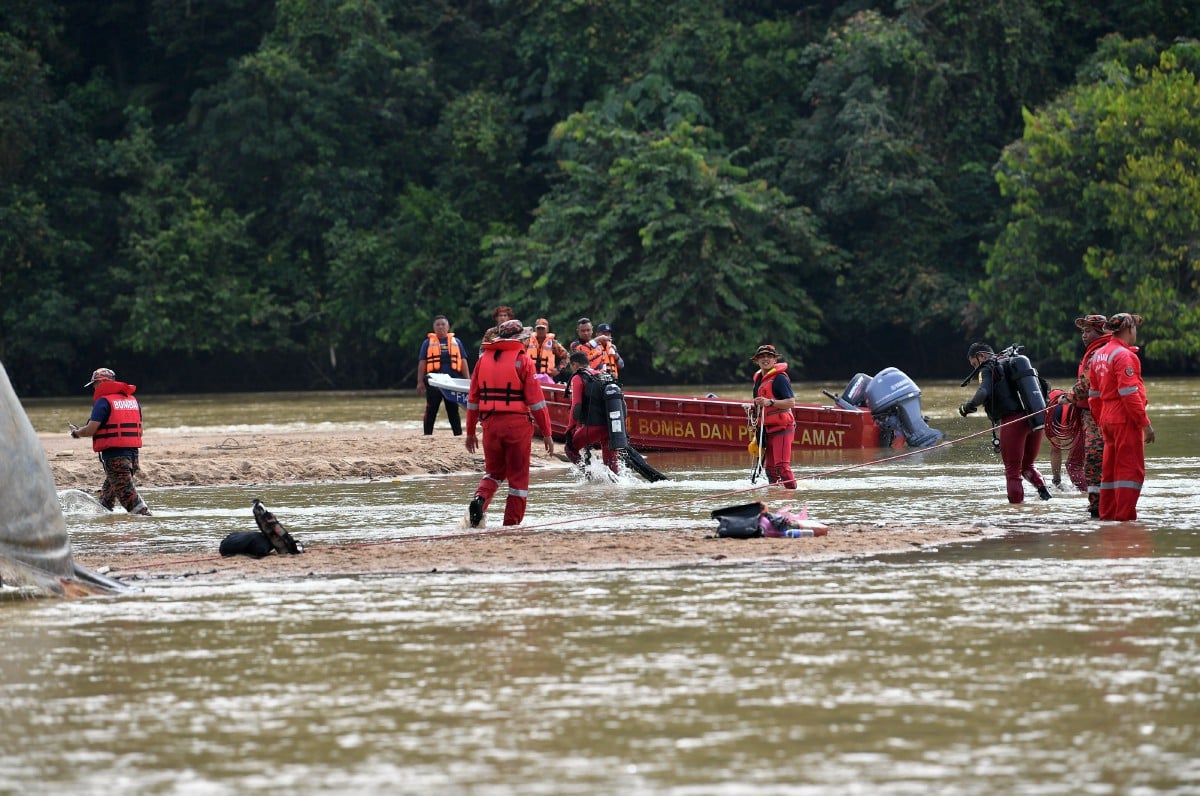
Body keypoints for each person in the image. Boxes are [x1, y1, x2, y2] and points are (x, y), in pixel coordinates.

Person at [464, 319, 555, 527]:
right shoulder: (523, 360)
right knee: (518, 480)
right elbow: (537, 402)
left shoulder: (482, 360)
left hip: (489, 426)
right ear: (518, 338)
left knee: (494, 473)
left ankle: (479, 500)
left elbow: (473, 401)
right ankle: (511, 525)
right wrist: (548, 433)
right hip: (517, 427)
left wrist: (470, 433)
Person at [959, 342, 1052, 503]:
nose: (975, 369)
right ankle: (1046, 496)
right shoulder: (1011, 364)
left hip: (1013, 421)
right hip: (1035, 417)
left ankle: (1014, 515)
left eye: (975, 364)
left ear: (981, 356)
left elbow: (983, 392)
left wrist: (968, 407)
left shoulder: (988, 368)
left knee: (1012, 471)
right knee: (1027, 465)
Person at [1089, 313, 1155, 521]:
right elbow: (1129, 394)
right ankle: (1125, 520)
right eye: (1135, 328)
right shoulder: (1124, 356)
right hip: (1125, 419)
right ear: (1128, 330)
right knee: (1130, 472)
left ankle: (1107, 517)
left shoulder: (1099, 355)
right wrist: (1145, 424)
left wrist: (1101, 420)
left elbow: (1094, 396)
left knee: (1109, 473)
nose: (1136, 332)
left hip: (1107, 419)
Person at [68, 367, 151, 515]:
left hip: (116, 459)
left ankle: (151, 524)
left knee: (131, 502)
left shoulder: (103, 402)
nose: (93, 388)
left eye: (94, 384)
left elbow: (91, 430)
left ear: (100, 382)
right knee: (106, 500)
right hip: (133, 457)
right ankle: (104, 523)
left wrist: (76, 433)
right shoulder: (132, 401)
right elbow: (140, 431)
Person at [1060, 314, 1111, 516]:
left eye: (1088, 331)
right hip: (1093, 413)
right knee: (1095, 460)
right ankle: (1099, 505)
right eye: (1082, 331)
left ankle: (1097, 507)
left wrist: (1069, 397)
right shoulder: (1099, 351)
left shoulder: (1098, 352)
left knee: (1093, 460)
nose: (1083, 335)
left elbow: (1086, 384)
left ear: (1100, 332)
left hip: (1097, 415)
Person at [562, 351, 620, 474]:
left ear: (575, 364)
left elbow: (576, 405)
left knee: (569, 448)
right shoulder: (601, 375)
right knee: (613, 468)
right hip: (611, 427)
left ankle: (589, 476)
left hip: (593, 426)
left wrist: (570, 428)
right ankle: (615, 486)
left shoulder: (578, 377)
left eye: (571, 366)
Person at [749, 344, 797, 489]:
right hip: (766, 429)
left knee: (781, 466)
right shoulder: (759, 380)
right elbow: (760, 404)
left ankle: (792, 496)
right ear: (756, 360)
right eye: (762, 357)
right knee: (770, 470)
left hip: (782, 428)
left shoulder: (780, 379)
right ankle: (777, 498)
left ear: (775, 360)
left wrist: (770, 402)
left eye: (769, 356)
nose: (765, 359)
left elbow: (791, 402)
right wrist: (753, 412)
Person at [415, 315, 471, 436]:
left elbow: (463, 361)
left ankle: (457, 434)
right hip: (433, 381)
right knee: (431, 408)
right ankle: (427, 434)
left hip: (452, 382)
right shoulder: (427, 343)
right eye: (438, 325)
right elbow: (422, 362)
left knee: (453, 409)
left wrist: (468, 380)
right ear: (434, 327)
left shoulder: (457, 342)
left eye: (443, 324)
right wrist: (420, 382)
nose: (440, 327)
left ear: (448, 326)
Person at [1045, 388, 1085, 492]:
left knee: (1073, 464)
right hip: (1080, 412)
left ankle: (1058, 482)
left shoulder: (1048, 411)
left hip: (1075, 416)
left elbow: (1055, 449)